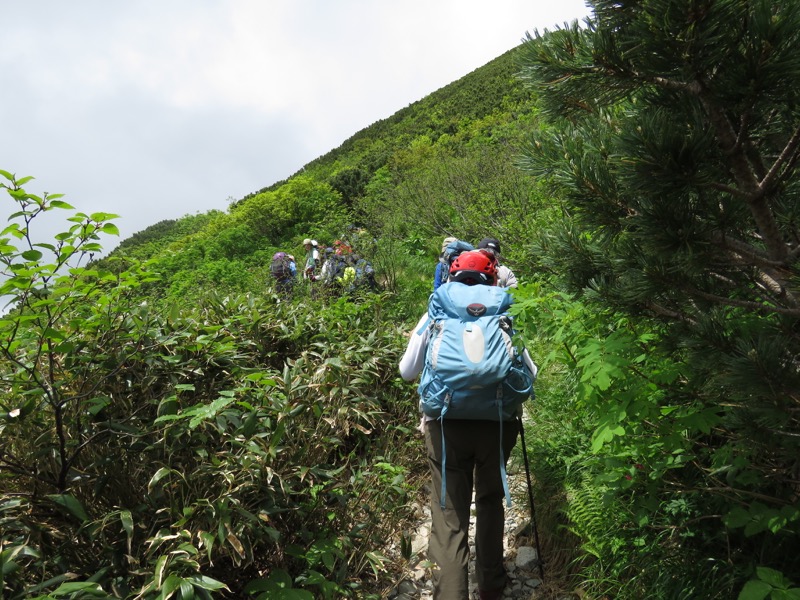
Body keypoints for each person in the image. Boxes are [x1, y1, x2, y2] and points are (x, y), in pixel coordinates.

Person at [399, 250, 537, 600]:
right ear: (493, 278)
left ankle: (451, 593)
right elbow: (531, 374)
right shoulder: (504, 313)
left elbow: (407, 371)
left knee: (449, 512)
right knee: (490, 500)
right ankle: (491, 585)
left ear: (451, 275)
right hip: (497, 424)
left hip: (445, 425)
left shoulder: (436, 310)